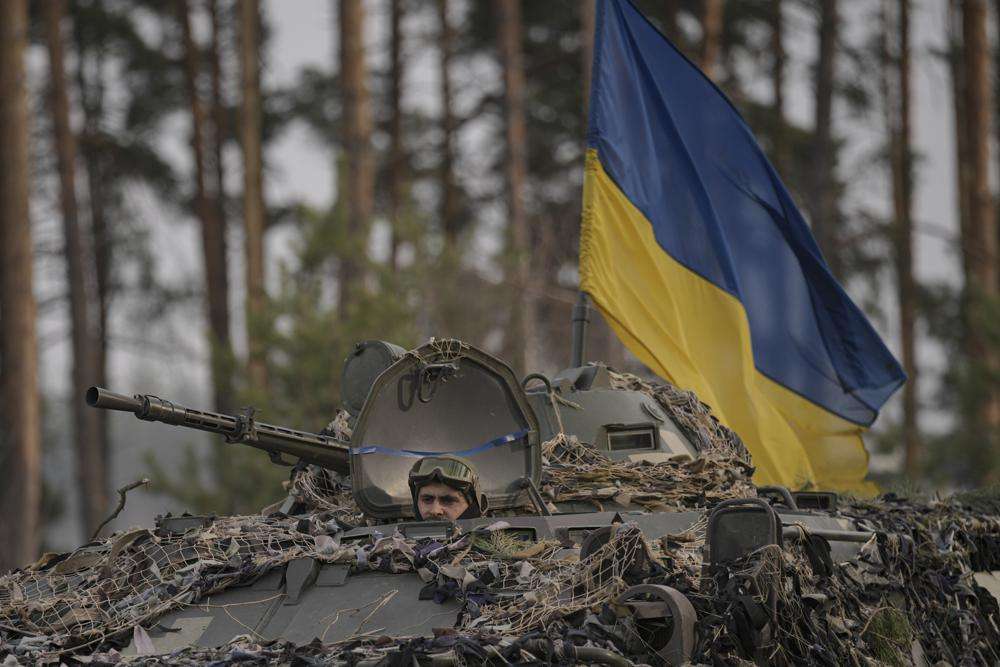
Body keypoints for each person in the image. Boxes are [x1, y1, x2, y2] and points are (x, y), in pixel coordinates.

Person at [408, 455, 488, 521]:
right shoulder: (398, 537)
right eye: (427, 500)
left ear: (473, 506)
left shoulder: (495, 538)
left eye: (448, 500)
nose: (435, 510)